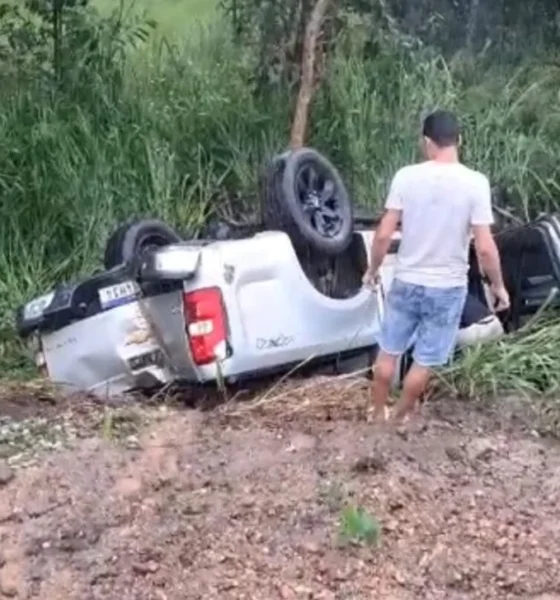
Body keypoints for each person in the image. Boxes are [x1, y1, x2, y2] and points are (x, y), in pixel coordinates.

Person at [362, 109, 510, 423]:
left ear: (427, 142)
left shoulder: (405, 177)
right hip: (447, 289)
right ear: (460, 140)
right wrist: (498, 286)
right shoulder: (475, 183)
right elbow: (485, 248)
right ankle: (399, 417)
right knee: (424, 361)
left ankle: (376, 413)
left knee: (388, 351)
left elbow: (383, 234)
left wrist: (372, 271)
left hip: (407, 281)